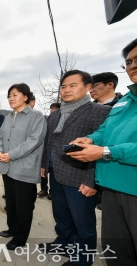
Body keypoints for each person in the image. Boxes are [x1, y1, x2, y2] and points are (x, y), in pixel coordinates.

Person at [68, 38, 137, 266]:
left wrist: (105, 152)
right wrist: (91, 139)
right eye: (128, 62)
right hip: (112, 187)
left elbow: (111, 147)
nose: (132, 65)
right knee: (116, 252)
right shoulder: (125, 102)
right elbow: (105, 130)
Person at [39, 70, 111, 266]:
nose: (67, 90)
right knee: (61, 215)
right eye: (64, 86)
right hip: (57, 173)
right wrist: (45, 166)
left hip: (80, 177)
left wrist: (92, 182)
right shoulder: (55, 114)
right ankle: (63, 243)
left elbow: (100, 149)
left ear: (88, 87)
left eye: (73, 85)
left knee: (84, 223)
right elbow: (49, 143)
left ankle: (82, 259)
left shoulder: (100, 112)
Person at [0, 83, 46, 250]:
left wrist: (10, 155)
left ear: (26, 96)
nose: (11, 98)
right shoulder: (8, 117)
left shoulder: (36, 117)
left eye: (15, 95)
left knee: (23, 205)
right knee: (11, 202)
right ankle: (12, 229)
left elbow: (33, 141)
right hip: (7, 167)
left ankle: (20, 238)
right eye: (9, 96)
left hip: (24, 168)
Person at [90, 72, 123, 210]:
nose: (91, 90)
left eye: (95, 86)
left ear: (110, 85)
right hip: (90, 167)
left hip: (118, 167)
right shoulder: (88, 109)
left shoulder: (123, 107)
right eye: (90, 87)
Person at [38, 102, 61, 199]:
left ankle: (52, 191)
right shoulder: (48, 119)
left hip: (54, 152)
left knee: (53, 173)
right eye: (51, 108)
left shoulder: (61, 120)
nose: (53, 110)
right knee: (43, 171)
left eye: (55, 108)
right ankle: (44, 189)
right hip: (45, 148)